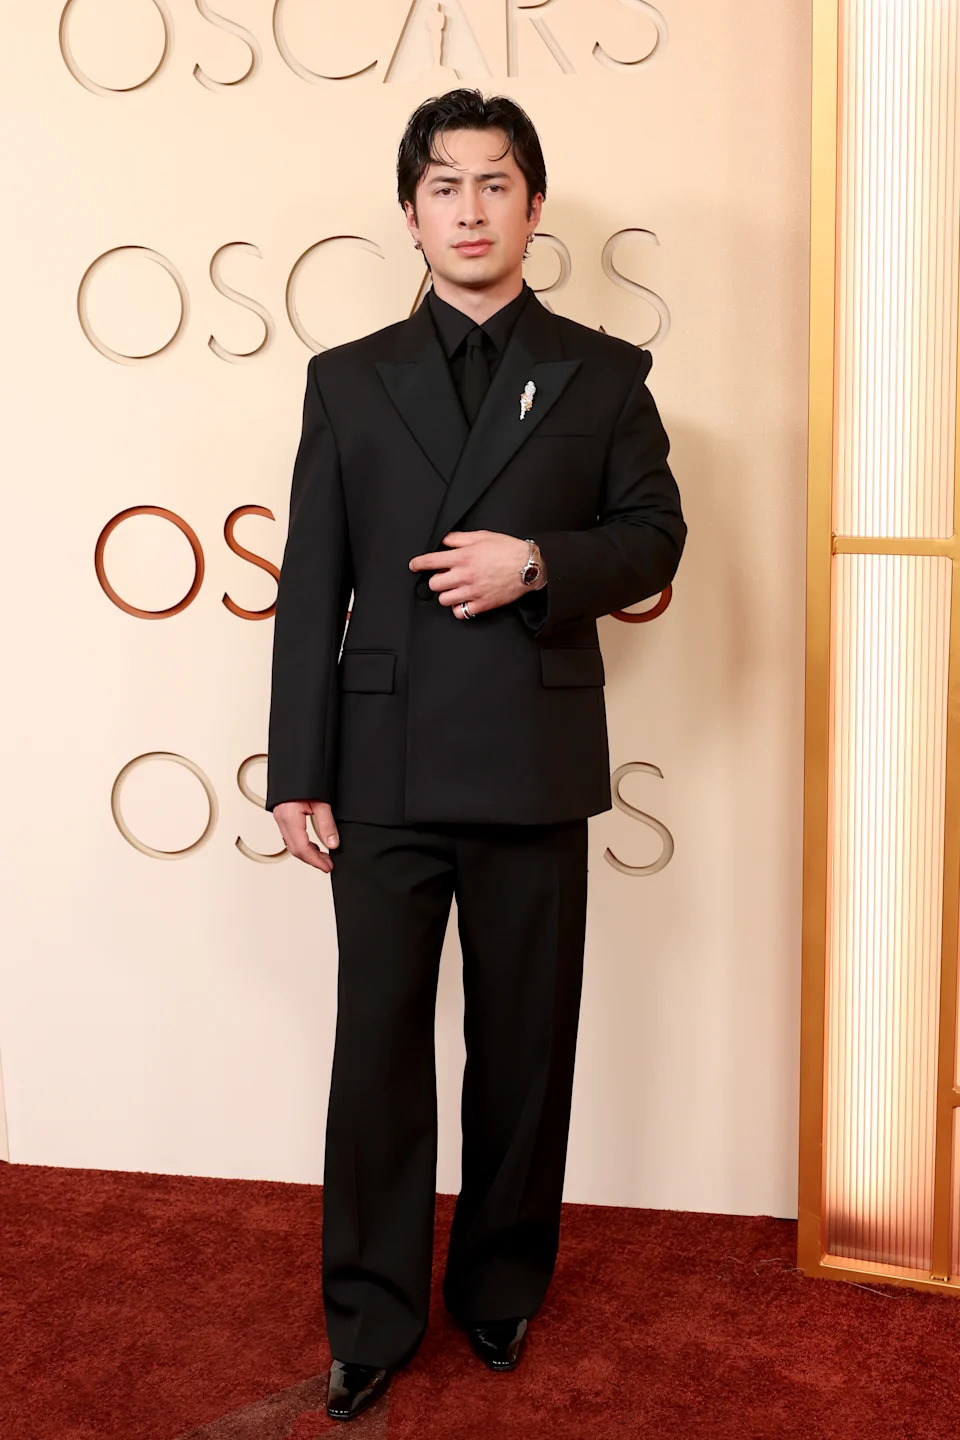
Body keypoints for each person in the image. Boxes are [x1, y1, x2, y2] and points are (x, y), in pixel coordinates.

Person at [265, 87, 687, 1423]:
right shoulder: (348, 379)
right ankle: (369, 1316)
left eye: (494, 183)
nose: (469, 209)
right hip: (381, 763)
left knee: (524, 1047)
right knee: (377, 1051)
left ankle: (500, 1289)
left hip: (531, 759)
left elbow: (656, 538)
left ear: (533, 205)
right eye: (444, 186)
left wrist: (538, 564)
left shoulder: (604, 374)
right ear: (411, 212)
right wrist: (296, 768)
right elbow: (313, 584)